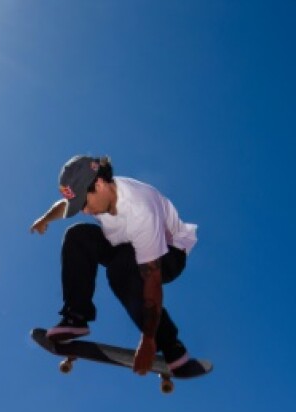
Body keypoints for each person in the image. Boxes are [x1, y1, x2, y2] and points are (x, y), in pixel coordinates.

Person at [30, 155, 205, 377]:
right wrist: (45, 219)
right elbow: (64, 205)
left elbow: (152, 279)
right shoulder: (97, 194)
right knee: (78, 236)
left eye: (84, 203)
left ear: (101, 185)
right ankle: (76, 316)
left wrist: (150, 339)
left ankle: (171, 345)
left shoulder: (141, 209)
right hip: (125, 245)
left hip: (169, 253)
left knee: (120, 270)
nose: (84, 210)